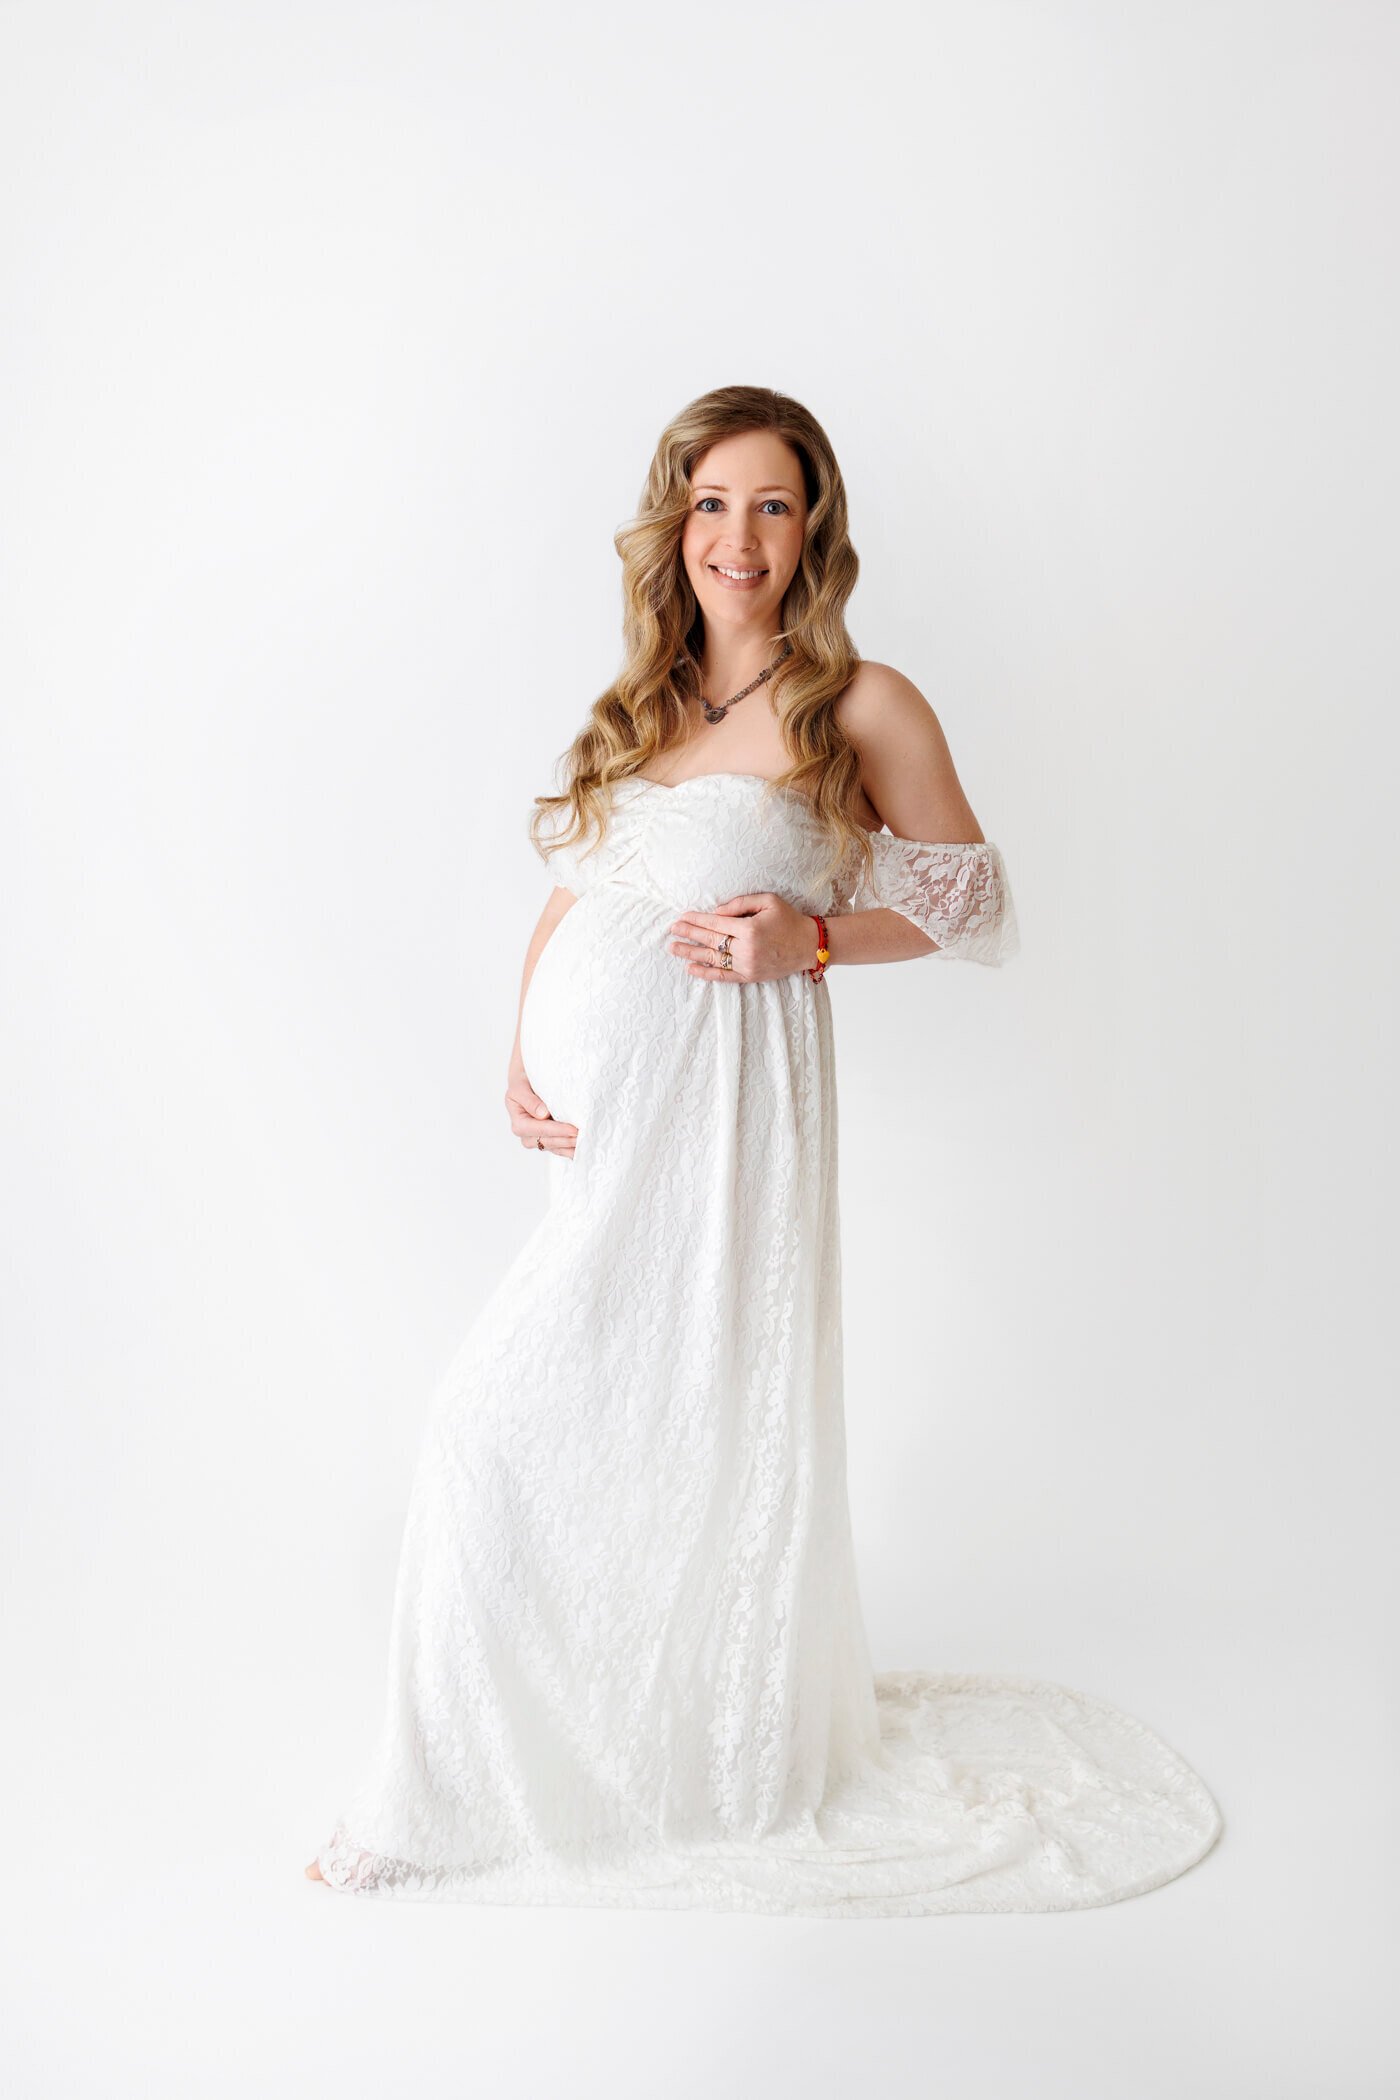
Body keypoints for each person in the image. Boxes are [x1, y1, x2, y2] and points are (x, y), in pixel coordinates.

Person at [306, 385, 1220, 1914]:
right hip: (597, 1147)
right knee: (585, 1432)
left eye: (774, 504)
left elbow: (974, 906)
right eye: (714, 503)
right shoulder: (644, 706)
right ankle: (554, 1750)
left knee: (497, 1430)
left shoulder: (861, 705)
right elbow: (576, 895)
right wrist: (519, 1045)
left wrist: (812, 938)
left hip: (721, 1148)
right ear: (677, 526)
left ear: (816, 530)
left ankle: (449, 1799)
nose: (741, 536)